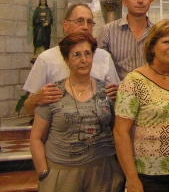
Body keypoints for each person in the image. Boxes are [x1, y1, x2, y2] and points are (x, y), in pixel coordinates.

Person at [29, 31, 124, 192]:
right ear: (66, 60)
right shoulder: (53, 92)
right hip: (62, 173)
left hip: (103, 172)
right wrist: (44, 173)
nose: (83, 60)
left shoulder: (107, 91)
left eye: (87, 54)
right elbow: (36, 137)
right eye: (76, 55)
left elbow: (118, 131)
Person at [114, 20, 169, 192]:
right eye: (165, 42)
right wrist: (132, 178)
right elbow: (120, 132)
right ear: (152, 47)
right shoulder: (134, 81)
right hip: (148, 174)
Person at [24, 3, 119, 115]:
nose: (85, 27)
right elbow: (28, 109)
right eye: (80, 21)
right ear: (65, 25)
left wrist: (117, 95)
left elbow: (116, 99)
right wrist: (36, 99)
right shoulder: (46, 59)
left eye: (89, 22)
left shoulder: (104, 57)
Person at [98, 0, 154, 80]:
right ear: (124, 2)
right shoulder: (108, 31)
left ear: (150, 1)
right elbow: (100, 65)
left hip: (151, 87)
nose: (140, 0)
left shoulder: (157, 32)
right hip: (118, 87)